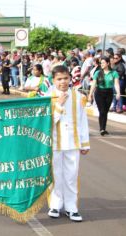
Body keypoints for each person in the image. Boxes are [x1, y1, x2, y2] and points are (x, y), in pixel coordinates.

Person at [47, 65, 90, 222]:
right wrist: (58, 105)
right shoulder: (48, 96)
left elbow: (82, 120)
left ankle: (72, 208)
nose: (62, 82)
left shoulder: (78, 96)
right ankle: (55, 205)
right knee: (55, 176)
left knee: (71, 176)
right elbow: (47, 123)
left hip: (73, 142)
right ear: (53, 80)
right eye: (59, 79)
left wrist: (85, 143)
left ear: (70, 79)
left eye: (65, 78)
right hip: (55, 143)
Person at [88, 56, 121, 136]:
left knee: (105, 112)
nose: (101, 64)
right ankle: (102, 129)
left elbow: (116, 84)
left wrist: (118, 93)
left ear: (108, 63)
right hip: (99, 92)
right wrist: (90, 94)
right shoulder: (97, 73)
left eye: (103, 63)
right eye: (101, 63)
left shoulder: (114, 73)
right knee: (102, 111)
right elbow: (94, 84)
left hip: (109, 93)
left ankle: (104, 128)